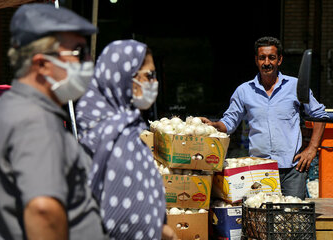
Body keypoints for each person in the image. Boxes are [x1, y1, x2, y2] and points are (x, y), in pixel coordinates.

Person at [0, 3, 107, 240]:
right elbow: (43, 211)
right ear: (43, 64)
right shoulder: (35, 122)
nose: (87, 62)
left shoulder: (0, 110)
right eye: (77, 52)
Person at [201, 36, 327, 199]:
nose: (267, 62)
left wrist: (312, 149)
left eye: (272, 58)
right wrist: (213, 125)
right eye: (262, 58)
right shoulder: (244, 91)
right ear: (256, 60)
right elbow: (229, 122)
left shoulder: (295, 86)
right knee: (261, 220)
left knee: (292, 218)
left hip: (293, 170)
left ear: (279, 60)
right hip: (259, 171)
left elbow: (320, 115)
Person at [75, 40, 177, 240]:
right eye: (149, 75)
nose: (154, 83)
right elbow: (126, 217)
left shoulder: (127, 130)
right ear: (125, 78)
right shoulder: (108, 136)